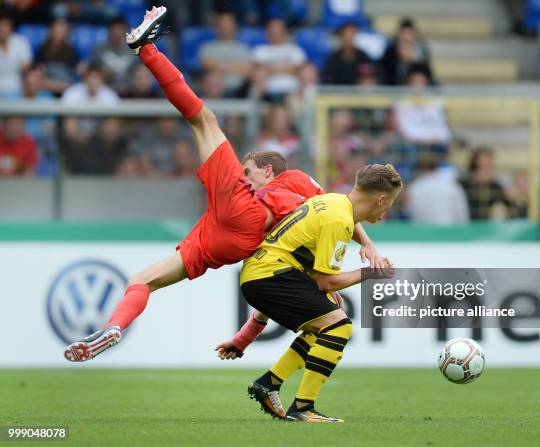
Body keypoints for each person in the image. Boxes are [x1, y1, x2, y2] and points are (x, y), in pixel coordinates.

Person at [64, 6, 383, 363]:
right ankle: (115, 327)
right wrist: (366, 243)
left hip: (243, 214)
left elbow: (340, 207)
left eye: (248, 172)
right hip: (233, 244)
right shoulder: (300, 225)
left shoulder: (290, 179)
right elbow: (267, 303)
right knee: (143, 280)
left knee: (204, 119)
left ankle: (146, 49)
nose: (243, 175)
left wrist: (365, 243)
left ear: (267, 170)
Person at [216, 164, 402, 423]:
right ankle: (303, 408)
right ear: (381, 198)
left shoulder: (333, 202)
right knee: (339, 327)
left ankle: (268, 383)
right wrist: (370, 274)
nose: (387, 211)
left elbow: (310, 261)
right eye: (390, 203)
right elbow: (327, 282)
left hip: (263, 273)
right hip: (270, 275)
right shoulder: (339, 220)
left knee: (323, 326)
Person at [251, 18, 306, 99]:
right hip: (266, 93)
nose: (275, 35)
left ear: (285, 33)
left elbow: (299, 70)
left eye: (278, 32)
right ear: (267, 33)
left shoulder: (294, 50)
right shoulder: (259, 50)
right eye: (273, 32)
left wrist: (271, 68)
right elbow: (257, 71)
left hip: (292, 92)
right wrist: (286, 68)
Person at [198, 12, 251, 97]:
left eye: (228, 25)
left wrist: (220, 67)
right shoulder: (207, 47)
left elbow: (246, 70)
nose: (225, 28)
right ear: (216, 27)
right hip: (214, 87)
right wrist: (234, 67)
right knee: (213, 82)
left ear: (234, 27)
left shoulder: (243, 48)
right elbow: (206, 64)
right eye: (222, 25)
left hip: (238, 89)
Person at [408, 154, 469, 224]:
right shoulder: (452, 185)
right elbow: (462, 212)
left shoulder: (414, 187)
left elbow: (411, 212)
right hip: (448, 229)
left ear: (420, 167)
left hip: (424, 230)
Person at [460, 148, 513, 220]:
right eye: (486, 158)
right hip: (466, 219)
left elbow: (507, 203)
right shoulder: (463, 182)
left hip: (485, 222)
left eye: (490, 158)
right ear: (476, 161)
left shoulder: (494, 184)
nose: (489, 162)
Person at [0, 12, 33, 98]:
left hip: (17, 88)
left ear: (11, 27)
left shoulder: (21, 41)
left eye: (5, 25)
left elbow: (26, 67)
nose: (2, 29)